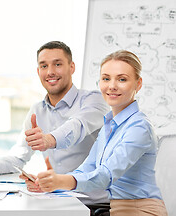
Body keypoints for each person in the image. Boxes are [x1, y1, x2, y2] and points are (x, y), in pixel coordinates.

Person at [26, 50, 168, 216]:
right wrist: (50, 183)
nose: (112, 86)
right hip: (115, 209)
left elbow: (106, 175)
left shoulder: (139, 127)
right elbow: (87, 169)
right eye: (106, 78)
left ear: (138, 84)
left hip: (141, 210)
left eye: (122, 79)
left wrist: (60, 181)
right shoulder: (109, 126)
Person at [0, 41, 110, 208]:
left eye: (58, 64)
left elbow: (78, 126)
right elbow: (20, 155)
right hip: (57, 201)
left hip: (93, 205)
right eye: (44, 66)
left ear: (72, 67)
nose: (50, 72)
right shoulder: (37, 110)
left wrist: (49, 140)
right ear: (38, 71)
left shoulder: (95, 100)